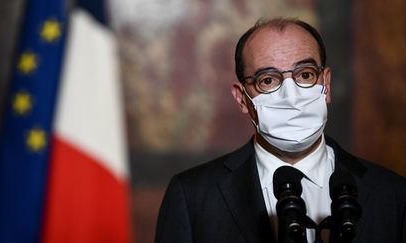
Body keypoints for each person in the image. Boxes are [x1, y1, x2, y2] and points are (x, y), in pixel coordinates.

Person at [154, 18, 406, 243]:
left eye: (305, 74)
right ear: (242, 98)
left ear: (326, 84)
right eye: (268, 80)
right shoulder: (193, 197)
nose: (291, 96)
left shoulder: (392, 194)